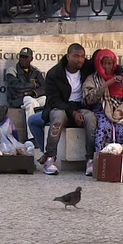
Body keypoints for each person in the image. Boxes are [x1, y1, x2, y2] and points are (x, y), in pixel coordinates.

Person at [39, 43, 97, 175]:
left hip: (80, 106)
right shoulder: (55, 73)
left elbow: (104, 61)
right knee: (58, 117)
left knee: (91, 118)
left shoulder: (86, 67)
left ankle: (90, 160)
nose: (80, 60)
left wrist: (121, 73)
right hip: (60, 107)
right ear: (68, 56)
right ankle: (50, 158)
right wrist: (72, 112)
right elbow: (54, 100)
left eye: (82, 56)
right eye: (76, 56)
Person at [83, 49, 123, 161]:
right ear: (99, 64)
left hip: (120, 112)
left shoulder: (121, 79)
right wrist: (107, 84)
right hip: (101, 111)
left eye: (110, 63)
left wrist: (121, 108)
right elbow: (89, 99)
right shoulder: (92, 79)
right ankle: (101, 161)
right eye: (104, 63)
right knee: (103, 128)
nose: (107, 66)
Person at [5, 47, 46, 140]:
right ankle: (32, 136)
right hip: (16, 100)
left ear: (31, 59)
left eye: (25, 57)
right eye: (21, 57)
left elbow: (44, 88)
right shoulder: (12, 70)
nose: (23, 59)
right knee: (31, 102)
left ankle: (46, 130)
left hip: (29, 96)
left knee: (46, 100)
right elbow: (16, 87)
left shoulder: (35, 71)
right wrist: (34, 84)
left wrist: (29, 92)